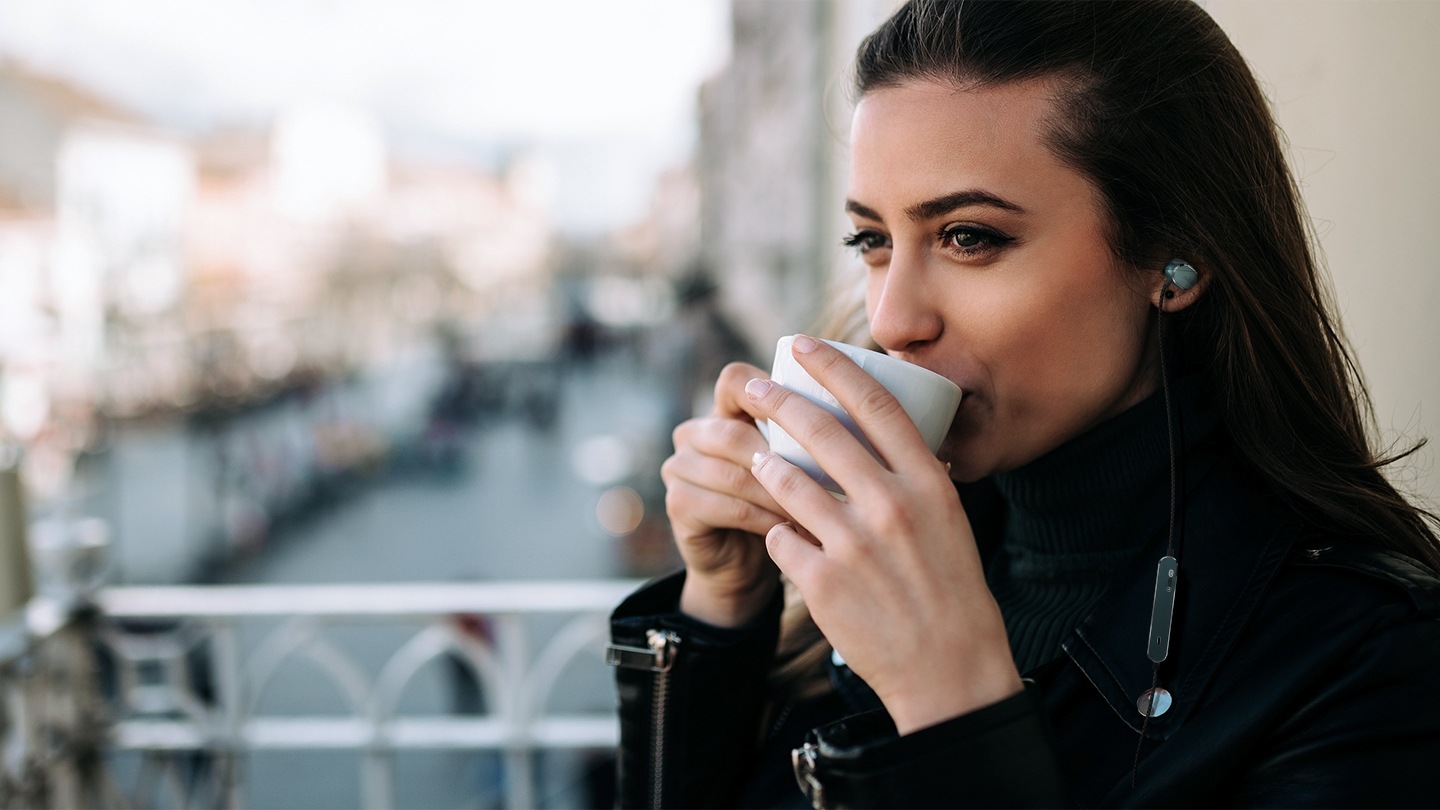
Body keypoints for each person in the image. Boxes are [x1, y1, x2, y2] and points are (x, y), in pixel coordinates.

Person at [608, 1, 1440, 806]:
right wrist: (721, 613)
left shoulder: (1364, 659)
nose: (895, 319)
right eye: (873, 240)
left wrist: (949, 700)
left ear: (1174, 256)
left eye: (969, 237)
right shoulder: (860, 567)